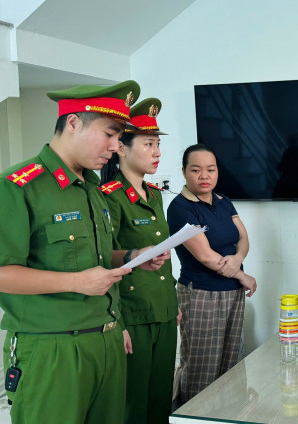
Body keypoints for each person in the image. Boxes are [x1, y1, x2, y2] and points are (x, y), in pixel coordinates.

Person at [0, 81, 170, 423]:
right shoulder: (18, 187)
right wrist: (77, 282)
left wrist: (133, 256)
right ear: (74, 122)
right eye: (109, 134)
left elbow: (92, 258)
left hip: (106, 342)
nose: (115, 146)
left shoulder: (92, 188)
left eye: (119, 137)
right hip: (52, 349)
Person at [99, 98, 179, 424]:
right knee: (134, 403)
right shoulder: (109, 197)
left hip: (163, 308)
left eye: (158, 144)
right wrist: (117, 323)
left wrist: (173, 302)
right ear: (121, 148)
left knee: (161, 399)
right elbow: (103, 259)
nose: (157, 152)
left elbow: (162, 254)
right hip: (132, 313)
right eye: (148, 144)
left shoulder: (155, 194)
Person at [167, 143, 258, 403]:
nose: (204, 176)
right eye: (196, 170)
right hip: (201, 293)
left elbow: (243, 238)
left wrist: (238, 259)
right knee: (201, 368)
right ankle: (191, 416)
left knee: (231, 364)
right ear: (184, 172)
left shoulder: (223, 201)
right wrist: (242, 275)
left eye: (211, 169)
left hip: (232, 292)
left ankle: (227, 415)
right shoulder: (180, 207)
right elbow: (205, 255)